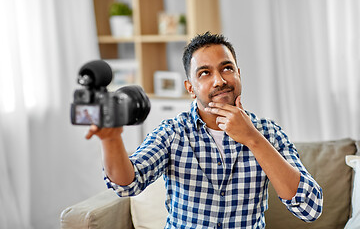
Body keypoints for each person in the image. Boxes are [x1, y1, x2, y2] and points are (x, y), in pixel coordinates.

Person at [86, 32, 323, 228]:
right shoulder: (173, 132)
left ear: (239, 74)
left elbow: (310, 208)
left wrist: (253, 139)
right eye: (205, 73)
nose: (219, 80)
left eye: (227, 68)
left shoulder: (268, 133)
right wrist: (111, 139)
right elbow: (127, 184)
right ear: (191, 87)